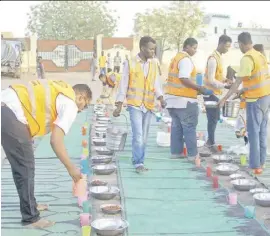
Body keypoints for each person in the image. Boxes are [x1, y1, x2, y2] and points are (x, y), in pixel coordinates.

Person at [1, 80, 92, 228]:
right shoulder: (71, 104)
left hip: (8, 106)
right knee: (25, 167)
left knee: (24, 165)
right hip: (10, 112)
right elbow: (55, 140)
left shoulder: (62, 90)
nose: (83, 109)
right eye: (85, 104)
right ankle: (30, 218)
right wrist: (71, 168)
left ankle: (31, 205)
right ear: (80, 97)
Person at [218, 32, 270, 175]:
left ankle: (254, 165)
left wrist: (224, 99)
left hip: (255, 100)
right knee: (262, 131)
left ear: (241, 43)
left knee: (253, 133)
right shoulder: (259, 55)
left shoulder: (247, 58)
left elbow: (236, 83)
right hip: (266, 97)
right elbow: (258, 80)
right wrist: (244, 90)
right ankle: (262, 162)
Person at [113, 36, 166, 173]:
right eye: (150, 48)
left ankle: (138, 158)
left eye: (154, 49)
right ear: (142, 48)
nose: (153, 51)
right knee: (138, 134)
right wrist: (119, 105)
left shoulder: (154, 64)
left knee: (144, 136)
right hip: (134, 104)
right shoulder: (130, 63)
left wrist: (161, 98)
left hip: (148, 105)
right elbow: (123, 84)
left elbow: (156, 83)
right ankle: (138, 162)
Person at [164, 38, 213, 161]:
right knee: (189, 127)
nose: (195, 51)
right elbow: (184, 78)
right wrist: (199, 88)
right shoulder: (185, 60)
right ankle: (192, 155)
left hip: (172, 100)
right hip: (184, 101)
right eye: (193, 48)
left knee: (176, 127)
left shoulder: (176, 59)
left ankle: (176, 153)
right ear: (186, 47)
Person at [203, 35, 232, 153]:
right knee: (212, 118)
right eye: (226, 46)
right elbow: (211, 79)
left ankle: (210, 141)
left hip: (215, 92)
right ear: (220, 44)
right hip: (210, 93)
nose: (227, 49)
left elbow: (217, 76)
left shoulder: (219, 57)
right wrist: (225, 85)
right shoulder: (213, 58)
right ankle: (210, 143)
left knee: (214, 118)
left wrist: (225, 80)